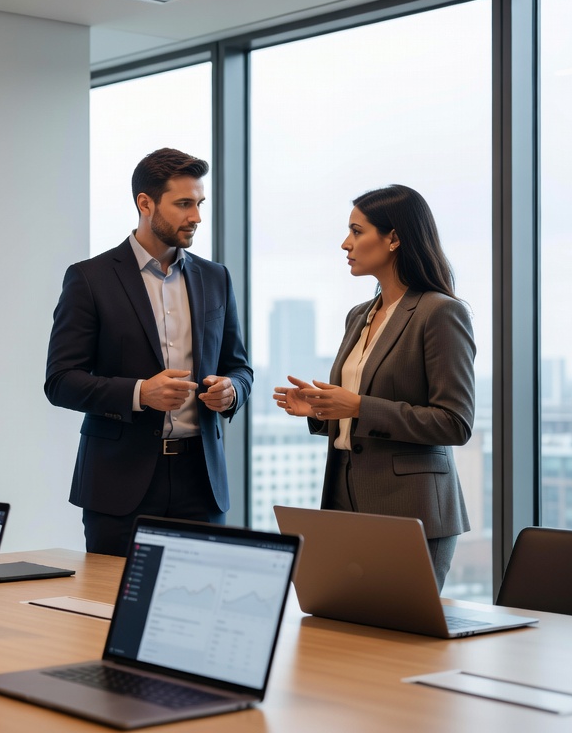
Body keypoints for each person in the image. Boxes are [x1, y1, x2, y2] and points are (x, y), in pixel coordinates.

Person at [45, 148, 252, 556]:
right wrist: (140, 393)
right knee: (112, 612)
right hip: (119, 486)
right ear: (146, 203)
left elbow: (239, 367)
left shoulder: (216, 277)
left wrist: (232, 391)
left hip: (202, 483)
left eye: (199, 204)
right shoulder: (90, 279)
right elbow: (60, 381)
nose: (196, 216)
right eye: (184, 204)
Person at [273, 185, 473, 590]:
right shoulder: (359, 315)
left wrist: (360, 406)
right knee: (346, 629)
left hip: (412, 506)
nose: (346, 243)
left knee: (403, 641)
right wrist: (321, 411)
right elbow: (354, 410)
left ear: (394, 238)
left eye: (357, 231)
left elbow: (455, 423)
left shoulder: (440, 312)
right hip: (345, 494)